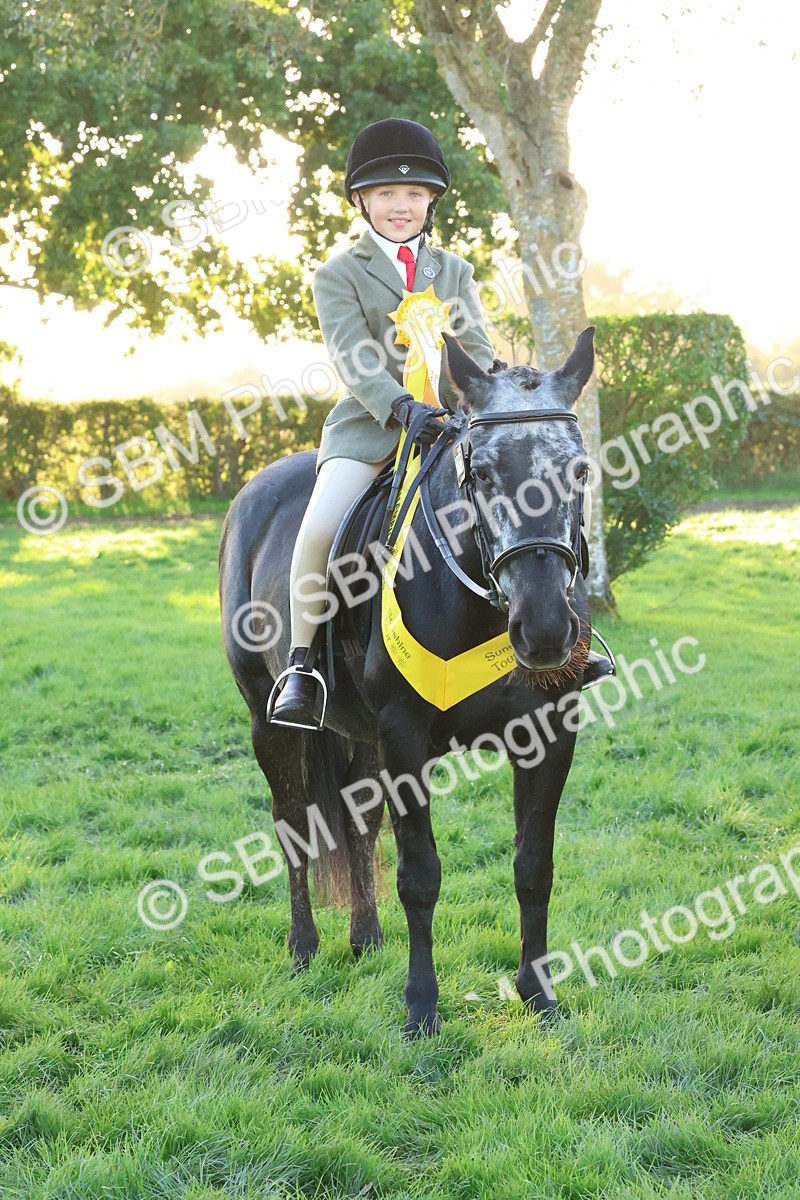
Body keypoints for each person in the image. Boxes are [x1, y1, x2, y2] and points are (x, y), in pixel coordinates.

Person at [268, 118, 612, 729]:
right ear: (361, 202)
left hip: (455, 426)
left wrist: (487, 390)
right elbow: (352, 356)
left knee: (531, 506)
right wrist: (401, 406)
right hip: (373, 429)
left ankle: (571, 639)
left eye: (413, 196)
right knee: (319, 530)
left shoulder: (453, 271)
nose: (400, 206)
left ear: (430, 202)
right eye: (386, 195)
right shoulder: (338, 275)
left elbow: (474, 345)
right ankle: (303, 667)